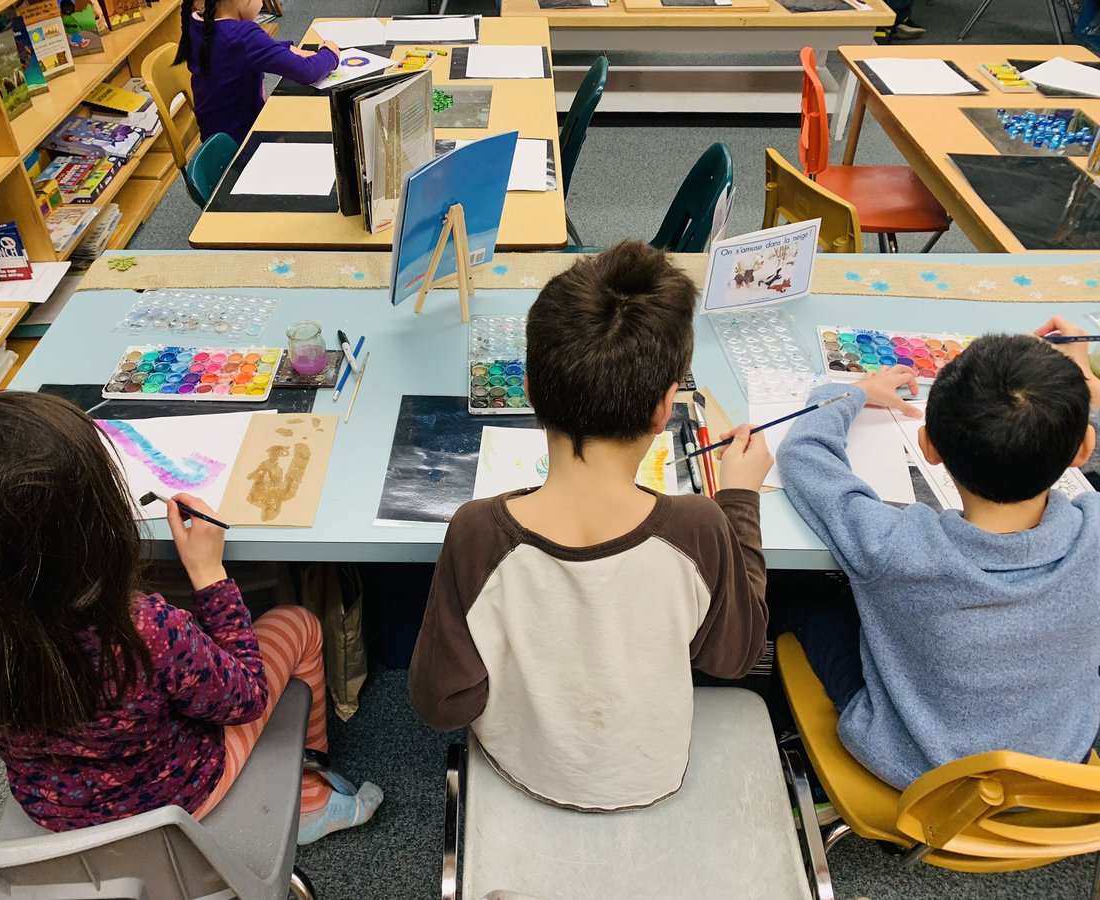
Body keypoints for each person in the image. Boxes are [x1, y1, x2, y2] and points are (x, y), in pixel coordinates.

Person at [0, 393, 381, 842]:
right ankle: (311, 801)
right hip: (177, 797)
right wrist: (210, 574)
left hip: (49, 807)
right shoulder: (141, 629)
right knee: (300, 622)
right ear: (91, 524)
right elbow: (247, 697)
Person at [408, 241, 773, 812]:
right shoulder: (700, 527)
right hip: (653, 774)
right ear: (663, 410)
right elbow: (734, 657)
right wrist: (740, 502)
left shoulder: (477, 531)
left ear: (529, 390)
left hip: (519, 770)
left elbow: (442, 703)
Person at [774, 321, 1100, 789]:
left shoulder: (895, 543)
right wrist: (1084, 388)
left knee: (802, 593)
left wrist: (847, 393)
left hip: (914, 769)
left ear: (929, 446)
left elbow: (804, 456)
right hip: (1057, 770)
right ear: (1084, 450)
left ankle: (793, 754)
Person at [175, 0, 340, 145]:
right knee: (320, 127)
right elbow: (308, 71)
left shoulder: (198, 22)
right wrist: (331, 53)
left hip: (217, 139)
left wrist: (287, 48)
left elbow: (233, 51)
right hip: (244, 141)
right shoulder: (244, 35)